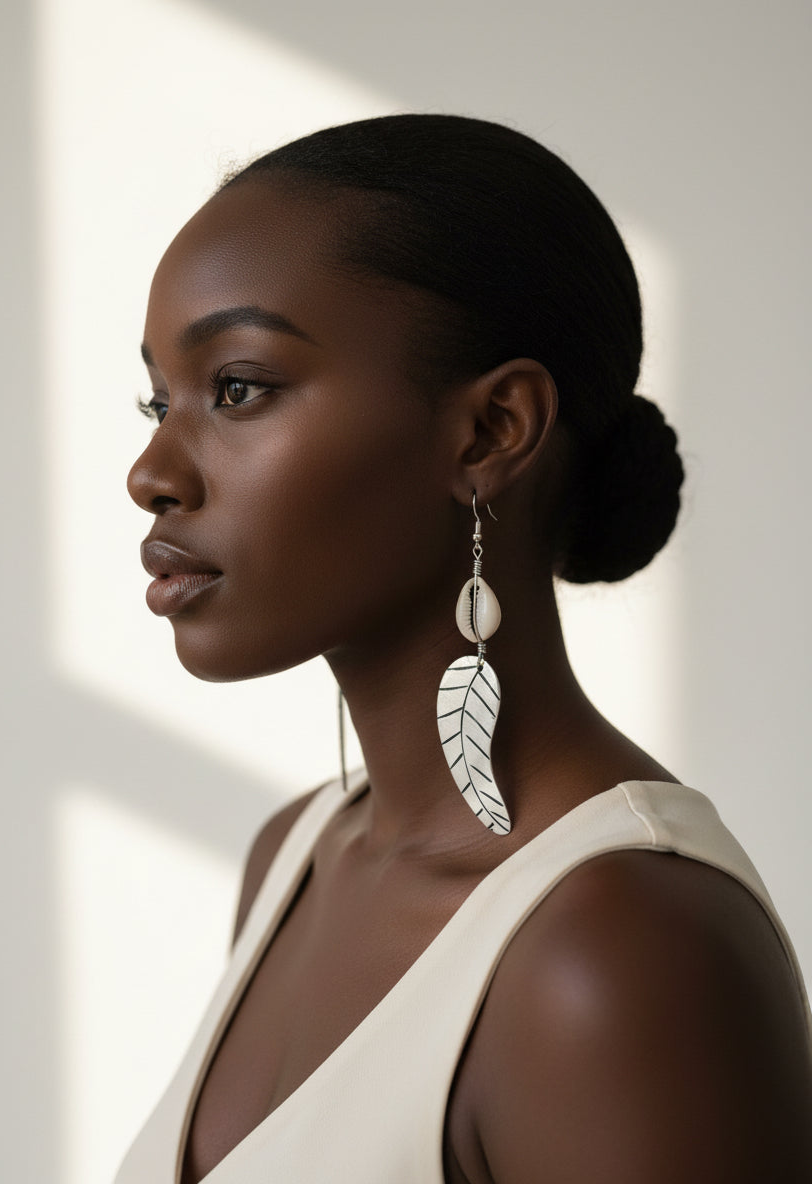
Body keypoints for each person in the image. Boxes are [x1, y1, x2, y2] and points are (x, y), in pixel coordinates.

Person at [117, 114, 812, 1183]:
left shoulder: (621, 951)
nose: (153, 470)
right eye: (158, 399)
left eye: (239, 387)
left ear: (492, 432)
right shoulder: (296, 855)